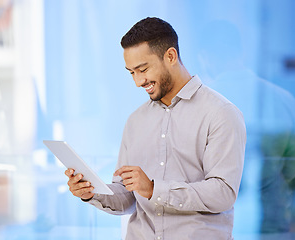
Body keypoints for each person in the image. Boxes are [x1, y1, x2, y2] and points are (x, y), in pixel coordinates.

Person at [65, 17, 246, 240]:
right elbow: (128, 198)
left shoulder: (221, 113)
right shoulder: (135, 121)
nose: (138, 81)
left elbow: (223, 193)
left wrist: (153, 189)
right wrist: (92, 192)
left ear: (170, 56)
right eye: (131, 72)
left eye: (143, 69)